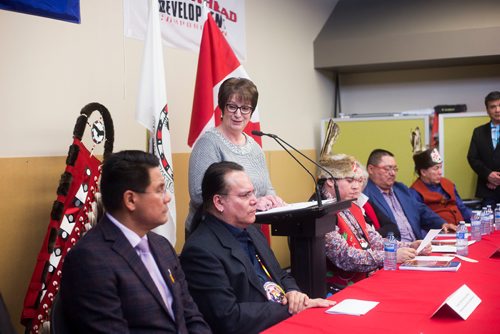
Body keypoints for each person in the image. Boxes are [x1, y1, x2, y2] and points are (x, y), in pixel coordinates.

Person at [59, 150, 211, 333]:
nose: (168, 198)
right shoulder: (89, 259)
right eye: (160, 189)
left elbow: (191, 316)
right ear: (130, 199)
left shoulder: (162, 246)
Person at [180, 161, 333, 334]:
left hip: (282, 320)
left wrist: (294, 293)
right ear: (219, 202)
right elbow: (228, 318)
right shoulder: (200, 251)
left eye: (253, 193)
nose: (255, 201)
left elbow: (281, 274)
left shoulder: (252, 230)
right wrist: (291, 308)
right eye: (245, 195)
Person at [186, 77, 284, 237]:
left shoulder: (255, 148)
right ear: (222, 108)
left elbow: (267, 188)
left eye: (245, 108)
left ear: (251, 112)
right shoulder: (208, 143)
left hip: (249, 232)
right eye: (232, 107)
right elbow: (199, 195)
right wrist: (252, 203)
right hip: (213, 235)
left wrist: (273, 200)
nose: (238, 114)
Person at [316, 154, 430, 290]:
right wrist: (390, 256)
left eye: (359, 181)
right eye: (350, 180)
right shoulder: (320, 212)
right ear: (330, 181)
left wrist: (409, 245)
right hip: (337, 289)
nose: (356, 187)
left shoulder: (350, 205)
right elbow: (344, 257)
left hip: (363, 279)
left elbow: (373, 240)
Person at [363, 149, 456, 242]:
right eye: (387, 169)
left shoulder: (400, 188)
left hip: (418, 245)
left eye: (395, 169)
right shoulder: (365, 196)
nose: (392, 173)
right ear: (371, 169)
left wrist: (442, 224)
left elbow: (421, 210)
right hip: (394, 250)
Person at [410, 148, 472, 224]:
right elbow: (422, 219)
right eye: (436, 168)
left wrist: (476, 220)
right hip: (438, 231)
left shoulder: (448, 183)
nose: (440, 172)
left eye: (440, 167)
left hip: (461, 228)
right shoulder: (415, 192)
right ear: (423, 172)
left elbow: (462, 208)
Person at [467, 90, 500, 207]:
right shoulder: (479, 132)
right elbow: (472, 158)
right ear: (487, 110)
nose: (497, 110)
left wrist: (498, 180)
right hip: (487, 190)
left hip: (492, 185)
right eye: (493, 107)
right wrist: (488, 175)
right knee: (488, 224)